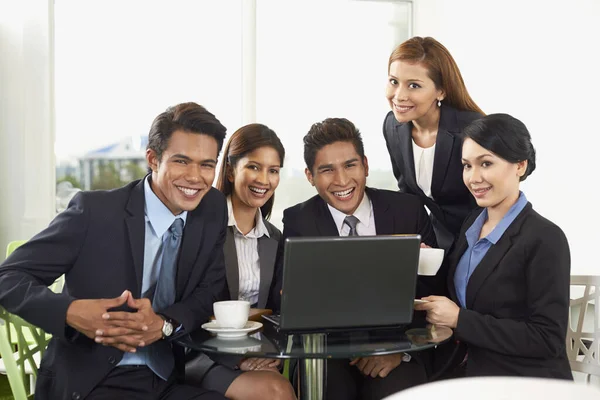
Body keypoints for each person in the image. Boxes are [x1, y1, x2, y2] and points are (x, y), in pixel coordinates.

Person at [0, 102, 230, 400]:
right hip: (92, 381)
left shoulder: (211, 208)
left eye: (207, 165)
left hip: (166, 377)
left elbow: (209, 290)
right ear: (153, 159)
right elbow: (9, 276)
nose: (195, 177)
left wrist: (165, 324)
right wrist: (70, 311)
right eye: (181, 161)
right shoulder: (94, 212)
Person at [283, 117, 437, 400]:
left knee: (396, 388)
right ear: (310, 176)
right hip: (326, 354)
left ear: (365, 165)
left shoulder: (408, 210)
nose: (342, 180)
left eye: (350, 165)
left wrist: (398, 352)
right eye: (327, 170)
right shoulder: (298, 220)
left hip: (397, 348)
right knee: (328, 387)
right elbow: (291, 303)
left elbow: (433, 294)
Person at [415, 114, 572, 379]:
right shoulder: (472, 223)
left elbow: (547, 338)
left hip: (522, 379)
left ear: (520, 165)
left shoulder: (545, 237)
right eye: (467, 166)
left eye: (486, 163)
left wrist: (460, 320)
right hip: (467, 370)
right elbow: (468, 292)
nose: (473, 178)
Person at [185, 124, 296, 400]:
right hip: (205, 357)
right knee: (276, 391)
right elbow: (188, 310)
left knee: (280, 384)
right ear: (232, 169)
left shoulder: (275, 238)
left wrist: (270, 357)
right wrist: (237, 362)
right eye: (254, 167)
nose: (264, 179)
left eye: (273, 170)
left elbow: (276, 312)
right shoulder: (200, 228)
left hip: (260, 358)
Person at [383, 36, 484, 251]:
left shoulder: (471, 129)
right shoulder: (393, 126)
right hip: (438, 240)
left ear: (441, 91)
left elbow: (494, 198)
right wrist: (414, 241)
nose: (399, 96)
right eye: (394, 81)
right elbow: (408, 195)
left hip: (483, 239)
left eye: (414, 85)